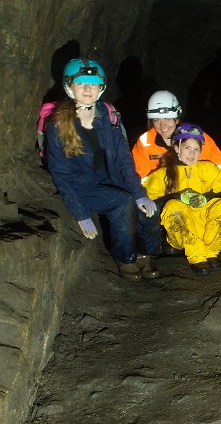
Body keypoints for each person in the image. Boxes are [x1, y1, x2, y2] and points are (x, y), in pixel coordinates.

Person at [46, 57, 162, 281]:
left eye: (93, 84)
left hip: (112, 177)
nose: (87, 89)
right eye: (81, 83)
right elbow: (61, 175)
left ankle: (145, 255)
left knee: (148, 206)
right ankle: (125, 258)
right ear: (69, 88)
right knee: (122, 202)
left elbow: (123, 159)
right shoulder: (58, 126)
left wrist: (139, 193)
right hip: (84, 186)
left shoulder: (109, 118)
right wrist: (81, 214)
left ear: (101, 88)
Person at [143, 123, 221, 275]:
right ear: (177, 148)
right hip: (180, 234)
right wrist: (176, 197)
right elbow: (148, 201)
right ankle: (197, 256)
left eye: (196, 149)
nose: (192, 153)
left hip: (206, 226)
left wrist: (206, 197)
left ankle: (211, 252)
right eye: (187, 148)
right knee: (173, 206)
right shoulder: (163, 174)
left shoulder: (208, 168)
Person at [131, 90, 221, 178]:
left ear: (177, 119)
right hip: (162, 190)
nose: (162, 125)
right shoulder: (145, 142)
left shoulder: (197, 136)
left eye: (167, 119)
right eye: (156, 120)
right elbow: (141, 178)